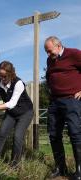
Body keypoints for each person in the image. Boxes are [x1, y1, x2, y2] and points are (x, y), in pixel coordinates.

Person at [0, 61, 33, 166]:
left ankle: (14, 164)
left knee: (17, 136)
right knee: (1, 133)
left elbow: (11, 103)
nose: (2, 78)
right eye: (0, 75)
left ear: (11, 74)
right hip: (11, 113)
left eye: (4, 76)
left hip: (25, 112)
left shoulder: (18, 83)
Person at [45, 36, 81, 179]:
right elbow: (49, 75)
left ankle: (79, 171)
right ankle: (61, 168)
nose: (48, 55)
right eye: (46, 52)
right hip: (55, 101)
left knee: (74, 133)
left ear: (58, 45)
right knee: (54, 135)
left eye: (49, 51)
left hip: (71, 100)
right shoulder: (50, 60)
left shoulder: (74, 54)